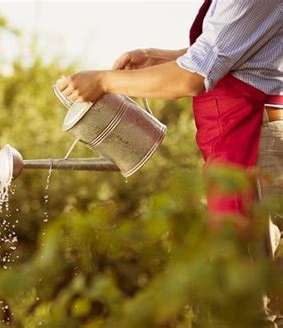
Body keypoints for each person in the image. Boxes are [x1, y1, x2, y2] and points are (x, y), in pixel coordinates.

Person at [58, 0, 282, 229]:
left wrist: (102, 81)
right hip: (239, 135)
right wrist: (158, 58)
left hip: (250, 133)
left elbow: (192, 77)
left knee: (242, 256)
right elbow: (233, 49)